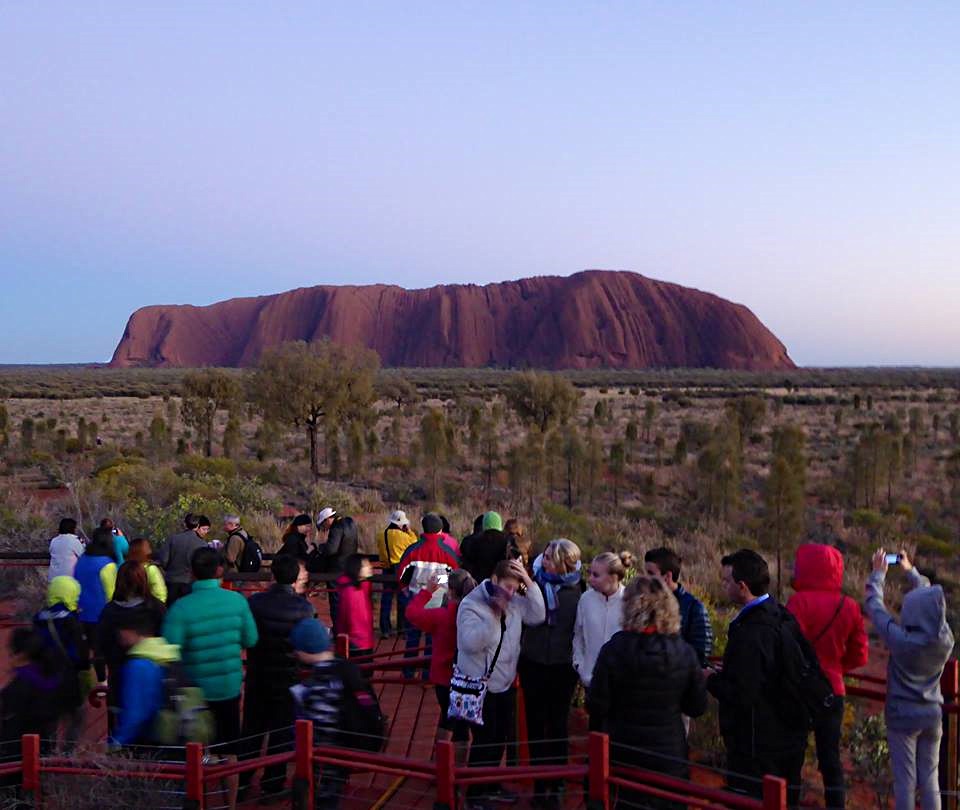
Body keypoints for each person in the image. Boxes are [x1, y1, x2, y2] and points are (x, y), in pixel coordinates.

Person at [588, 576, 708, 810]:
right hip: (669, 758)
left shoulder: (614, 649)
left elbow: (596, 705)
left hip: (622, 756)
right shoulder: (683, 652)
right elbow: (697, 706)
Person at [706, 549, 807, 808]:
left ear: (742, 586)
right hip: (787, 736)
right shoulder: (782, 616)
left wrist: (711, 680)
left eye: (727, 581)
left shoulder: (752, 632)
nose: (723, 586)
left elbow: (743, 693)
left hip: (756, 743)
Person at [865, 549, 954, 810]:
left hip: (903, 716)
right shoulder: (945, 640)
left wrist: (878, 574)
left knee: (905, 782)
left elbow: (874, 606)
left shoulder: (901, 640)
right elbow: (931, 605)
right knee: (930, 780)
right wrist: (912, 573)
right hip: (932, 714)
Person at [457, 558, 546, 810]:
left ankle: (491, 783)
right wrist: (494, 617)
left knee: (500, 738)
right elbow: (469, 643)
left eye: (515, 588)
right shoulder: (471, 604)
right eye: (507, 586)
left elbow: (538, 615)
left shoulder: (515, 601)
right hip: (480, 685)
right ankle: (475, 794)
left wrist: (528, 581)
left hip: (505, 683)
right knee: (484, 741)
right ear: (494, 579)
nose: (510, 592)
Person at [786, 543, 868, 810]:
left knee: (793, 755)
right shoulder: (850, 606)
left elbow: (788, 647)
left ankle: (789, 804)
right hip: (833, 690)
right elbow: (860, 655)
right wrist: (835, 670)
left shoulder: (798, 602)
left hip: (799, 690)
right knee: (831, 761)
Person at [162, 547, 258, 751]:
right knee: (230, 747)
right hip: (228, 686)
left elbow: (170, 650)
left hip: (194, 690)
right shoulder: (237, 601)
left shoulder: (180, 607)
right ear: (219, 571)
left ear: (192, 572)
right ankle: (230, 783)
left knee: (197, 748)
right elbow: (251, 639)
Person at [240, 554, 315, 799]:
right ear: (295, 579)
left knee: (252, 730)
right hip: (288, 677)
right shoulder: (305, 608)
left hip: (257, 674)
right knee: (281, 733)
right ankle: (273, 784)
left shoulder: (255, 602)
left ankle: (241, 780)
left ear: (272, 575)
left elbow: (248, 637)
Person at [289, 618, 382, 809]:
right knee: (332, 794)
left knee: (321, 798)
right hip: (346, 745)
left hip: (323, 755)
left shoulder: (313, 685)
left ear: (305, 651)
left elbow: (313, 723)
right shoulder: (345, 668)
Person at [518, 539, 583, 809]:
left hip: (561, 666)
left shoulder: (579, 591)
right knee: (534, 723)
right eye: (543, 557)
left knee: (557, 724)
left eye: (548, 558)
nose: (542, 562)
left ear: (562, 563)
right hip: (533, 662)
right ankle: (539, 782)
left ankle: (556, 783)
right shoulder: (532, 587)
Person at [404, 569, 476, 749]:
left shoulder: (441, 617)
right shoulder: (475, 615)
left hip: (443, 678)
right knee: (462, 726)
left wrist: (427, 591)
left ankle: (440, 763)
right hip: (467, 677)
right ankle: (458, 770)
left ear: (450, 591)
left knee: (446, 717)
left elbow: (412, 613)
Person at [97, 561, 167, 732]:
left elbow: (101, 646)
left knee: (122, 728)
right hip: (152, 678)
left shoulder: (109, 612)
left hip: (119, 680)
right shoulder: (155, 608)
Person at [397, 513, 461, 676]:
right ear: (440, 531)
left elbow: (402, 575)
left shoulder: (413, 550)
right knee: (432, 640)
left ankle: (408, 671)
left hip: (416, 597)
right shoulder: (447, 553)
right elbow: (455, 576)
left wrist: (406, 589)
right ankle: (428, 672)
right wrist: (438, 582)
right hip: (438, 600)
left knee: (412, 637)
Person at [108, 608, 182, 749]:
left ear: (128, 632)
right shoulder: (168, 652)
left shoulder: (138, 665)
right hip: (176, 732)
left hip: (152, 739)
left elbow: (136, 713)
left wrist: (116, 742)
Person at [33, 576, 90, 748]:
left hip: (44, 676)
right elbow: (80, 654)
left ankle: (46, 752)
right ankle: (68, 752)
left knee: (50, 717)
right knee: (77, 715)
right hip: (67, 677)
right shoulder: (71, 620)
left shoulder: (39, 618)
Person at [0, 629, 63, 766]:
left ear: (20, 654)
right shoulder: (47, 675)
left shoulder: (20, 685)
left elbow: (11, 722)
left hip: (16, 751)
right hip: (43, 744)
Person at [644, 547, 713, 667]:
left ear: (667, 576)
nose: (646, 578)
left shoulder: (694, 608)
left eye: (651, 573)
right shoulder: (644, 603)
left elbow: (700, 654)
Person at [573, 551, 631, 688]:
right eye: (590, 573)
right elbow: (578, 635)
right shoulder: (586, 599)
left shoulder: (630, 601)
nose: (590, 579)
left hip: (622, 685)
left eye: (596, 575)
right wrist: (579, 665)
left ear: (613, 577)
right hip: (591, 681)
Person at [73, 527, 118, 682]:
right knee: (104, 651)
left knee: (88, 650)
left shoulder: (82, 560)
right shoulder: (107, 564)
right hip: (102, 614)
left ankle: (94, 683)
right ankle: (105, 683)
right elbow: (112, 592)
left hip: (82, 612)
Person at [155, 513, 210, 605]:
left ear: (185, 524)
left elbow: (163, 560)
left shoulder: (173, 539)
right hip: (190, 583)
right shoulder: (202, 544)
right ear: (197, 526)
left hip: (172, 581)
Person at [377, 510, 417, 636]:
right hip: (399, 568)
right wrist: (408, 530)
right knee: (402, 598)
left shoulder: (381, 534)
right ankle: (402, 629)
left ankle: (385, 629)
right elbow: (415, 542)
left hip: (386, 568)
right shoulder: (404, 536)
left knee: (386, 599)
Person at [335, 554, 375, 658]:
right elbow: (348, 618)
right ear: (357, 568)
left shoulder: (361, 586)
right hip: (358, 641)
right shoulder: (351, 592)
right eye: (366, 565)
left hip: (364, 638)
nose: (370, 567)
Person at [460, 511, 510, 583]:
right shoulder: (507, 541)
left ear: (484, 524)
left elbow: (467, 564)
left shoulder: (474, 541)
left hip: (478, 584)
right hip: (500, 584)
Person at [126, 537, 168, 603]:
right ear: (139, 550)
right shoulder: (150, 569)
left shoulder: (128, 568)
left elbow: (160, 595)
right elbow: (161, 594)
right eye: (147, 546)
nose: (149, 547)